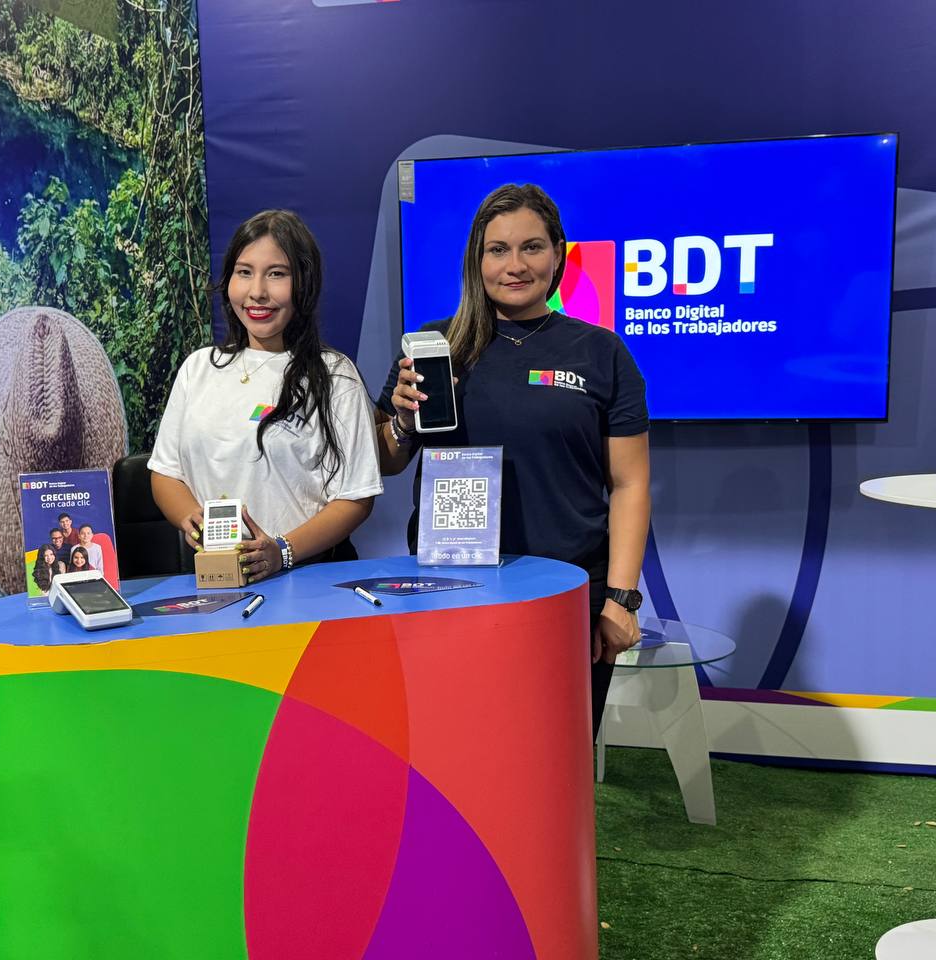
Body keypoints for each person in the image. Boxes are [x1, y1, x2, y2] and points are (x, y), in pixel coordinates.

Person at [377, 183, 651, 739]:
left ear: (558, 254)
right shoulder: (436, 344)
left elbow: (630, 484)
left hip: (567, 592)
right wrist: (403, 421)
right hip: (451, 588)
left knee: (554, 755)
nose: (515, 265)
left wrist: (621, 599)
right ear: (476, 259)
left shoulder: (601, 352)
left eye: (532, 247)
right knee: (453, 751)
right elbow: (386, 461)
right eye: (498, 249)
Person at [149, 209, 382, 582]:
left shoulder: (335, 375)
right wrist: (190, 518)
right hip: (217, 581)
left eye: (276, 274)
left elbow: (356, 496)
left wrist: (282, 551)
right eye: (244, 272)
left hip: (308, 580)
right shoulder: (198, 368)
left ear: (304, 283)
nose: (257, 291)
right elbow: (165, 472)